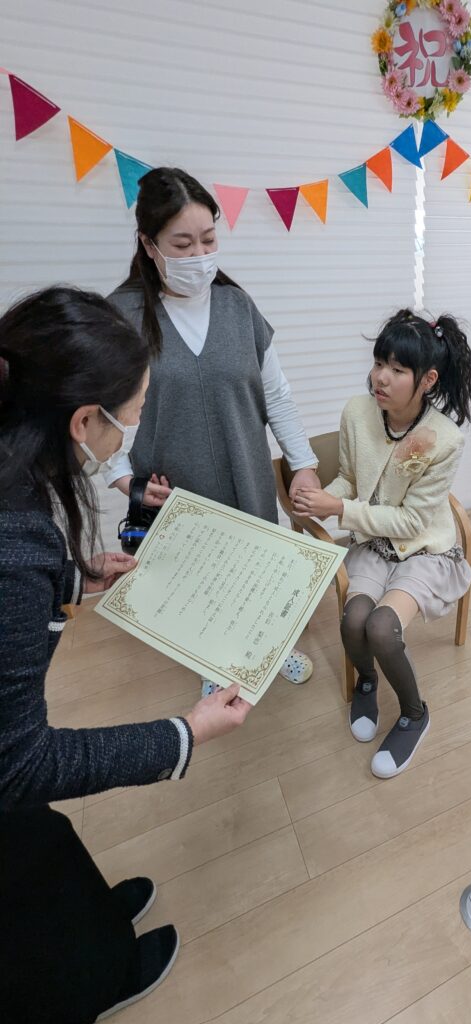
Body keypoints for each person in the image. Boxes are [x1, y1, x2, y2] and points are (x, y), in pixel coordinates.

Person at [0, 286, 253, 1023]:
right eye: (134, 413)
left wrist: (73, 576)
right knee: (26, 855)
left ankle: (95, 926)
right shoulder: (14, 544)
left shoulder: (16, 490)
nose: (132, 433)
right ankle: (96, 976)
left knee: (43, 838)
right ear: (85, 420)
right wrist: (185, 733)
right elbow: (20, 762)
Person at [105, 167, 320, 693]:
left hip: (247, 473)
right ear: (149, 244)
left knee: (259, 572)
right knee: (201, 584)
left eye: (208, 239)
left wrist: (304, 464)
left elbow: (277, 396)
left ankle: (271, 647)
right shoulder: (122, 316)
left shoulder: (238, 307)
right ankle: (214, 663)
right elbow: (101, 414)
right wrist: (122, 479)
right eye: (183, 244)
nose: (200, 255)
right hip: (174, 486)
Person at [292, 310, 471, 778]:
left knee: (381, 627)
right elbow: (351, 478)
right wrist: (320, 499)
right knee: (353, 620)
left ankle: (415, 714)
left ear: (427, 379)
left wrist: (338, 509)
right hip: (374, 542)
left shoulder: (445, 439)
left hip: (424, 548)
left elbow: (413, 520)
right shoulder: (357, 412)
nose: (381, 377)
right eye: (379, 363)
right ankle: (367, 682)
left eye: (397, 369)